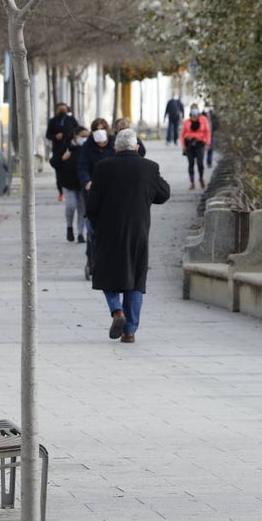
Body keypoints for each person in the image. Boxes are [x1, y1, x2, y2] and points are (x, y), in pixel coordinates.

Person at [86, 128, 171, 343]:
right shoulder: (149, 168)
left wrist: (94, 225)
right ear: (136, 146)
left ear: (116, 147)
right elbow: (163, 194)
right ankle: (130, 331)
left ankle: (117, 312)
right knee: (136, 279)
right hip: (138, 231)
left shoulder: (102, 167)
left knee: (106, 272)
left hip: (108, 230)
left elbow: (92, 204)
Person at [50, 126, 89, 243]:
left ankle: (81, 233)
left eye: (87, 136)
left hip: (83, 184)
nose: (85, 139)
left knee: (82, 209)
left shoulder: (88, 148)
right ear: (75, 136)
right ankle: (69, 227)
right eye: (82, 136)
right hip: (68, 183)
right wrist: (62, 158)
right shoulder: (66, 146)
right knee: (71, 205)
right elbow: (53, 162)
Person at [180, 103, 212, 190]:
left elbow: (207, 132)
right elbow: (182, 134)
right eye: (192, 109)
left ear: (198, 110)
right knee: (191, 164)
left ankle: (201, 178)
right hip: (189, 144)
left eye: (195, 109)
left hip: (200, 143)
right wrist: (183, 145)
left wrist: (208, 143)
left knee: (200, 163)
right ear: (190, 111)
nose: (194, 111)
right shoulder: (187, 122)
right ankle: (192, 182)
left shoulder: (203, 120)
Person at [45, 102, 79, 168]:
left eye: (64, 110)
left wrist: (69, 135)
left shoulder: (71, 120)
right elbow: (48, 135)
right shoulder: (52, 121)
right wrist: (55, 136)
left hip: (69, 147)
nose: (62, 112)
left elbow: (77, 131)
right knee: (58, 165)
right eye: (61, 110)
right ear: (57, 110)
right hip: (57, 147)